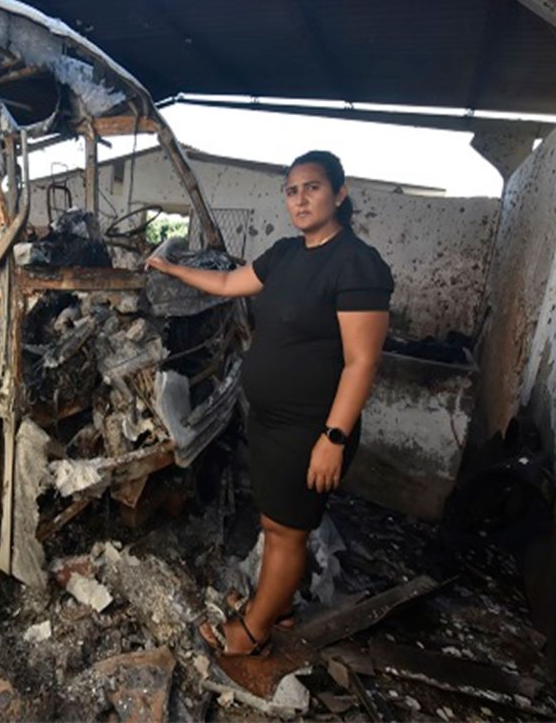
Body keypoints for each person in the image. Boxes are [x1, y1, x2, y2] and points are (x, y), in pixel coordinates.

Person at [147, 150, 393, 657]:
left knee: (287, 530)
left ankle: (253, 633)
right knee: (277, 523)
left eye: (313, 188)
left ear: (339, 195)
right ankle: (276, 606)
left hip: (312, 428)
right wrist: (170, 268)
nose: (300, 199)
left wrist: (334, 438)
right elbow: (227, 283)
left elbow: (361, 363)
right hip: (270, 422)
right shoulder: (284, 254)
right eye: (292, 190)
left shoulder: (357, 264)